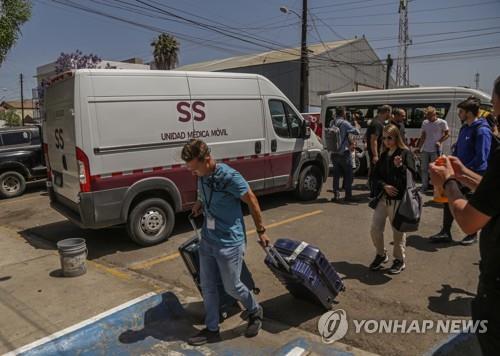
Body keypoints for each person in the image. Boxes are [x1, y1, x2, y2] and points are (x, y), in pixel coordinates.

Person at [428, 76, 500, 356]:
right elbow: (493, 188)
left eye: (494, 105)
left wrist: (448, 183)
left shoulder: (483, 133)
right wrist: (463, 175)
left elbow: (469, 221)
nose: (493, 114)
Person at [182, 139, 271, 346]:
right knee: (208, 286)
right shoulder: (202, 175)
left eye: (194, 168)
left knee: (232, 287)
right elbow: (204, 195)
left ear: (206, 160)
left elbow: (252, 200)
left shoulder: (230, 176)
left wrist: (261, 231)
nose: (192, 173)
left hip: (230, 242)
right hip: (208, 240)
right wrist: (199, 204)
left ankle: (254, 310)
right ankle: (212, 329)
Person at [430, 97, 492, 245]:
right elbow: (458, 148)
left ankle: (472, 234)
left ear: (469, 113)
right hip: (459, 174)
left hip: (473, 174)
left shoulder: (482, 131)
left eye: (461, 111)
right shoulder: (465, 128)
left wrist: (463, 172)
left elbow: (481, 158)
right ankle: (446, 232)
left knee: (471, 203)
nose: (459, 114)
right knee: (448, 200)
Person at [369, 124, 416, 274]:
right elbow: (374, 177)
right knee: (375, 229)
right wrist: (384, 186)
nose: (387, 141)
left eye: (390, 137)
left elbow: (411, 177)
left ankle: (399, 260)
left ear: (397, 137)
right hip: (383, 198)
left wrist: (400, 167)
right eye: (384, 138)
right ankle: (381, 254)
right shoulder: (384, 155)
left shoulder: (405, 153)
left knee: (398, 233)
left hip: (398, 200)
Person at [415, 106, 450, 192]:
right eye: (427, 116)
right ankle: (424, 186)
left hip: (436, 150)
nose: (428, 118)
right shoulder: (425, 123)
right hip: (425, 149)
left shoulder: (442, 122)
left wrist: (440, 141)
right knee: (423, 169)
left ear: (434, 114)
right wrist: (419, 147)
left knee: (435, 170)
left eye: (430, 116)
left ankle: (436, 187)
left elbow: (447, 134)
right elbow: (423, 136)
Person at [330, 107, 360, 202]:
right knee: (348, 174)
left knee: (336, 175)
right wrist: (355, 124)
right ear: (343, 113)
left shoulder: (332, 122)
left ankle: (336, 195)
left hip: (334, 153)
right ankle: (348, 196)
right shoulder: (345, 123)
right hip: (344, 153)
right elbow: (357, 132)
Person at [366, 105, 392, 198]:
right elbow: (374, 140)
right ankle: (374, 194)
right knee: (375, 173)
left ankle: (375, 193)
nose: (391, 115)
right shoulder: (377, 124)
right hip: (375, 153)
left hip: (376, 152)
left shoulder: (377, 122)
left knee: (376, 172)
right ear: (387, 112)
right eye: (390, 112)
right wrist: (375, 155)